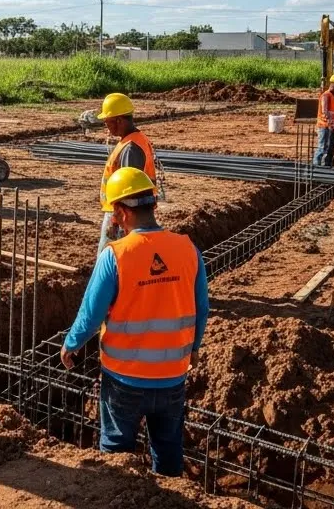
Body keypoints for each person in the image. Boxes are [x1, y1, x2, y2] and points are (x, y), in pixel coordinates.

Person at [60, 167, 208, 477]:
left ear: (120, 212)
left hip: (124, 380)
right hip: (173, 378)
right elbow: (201, 309)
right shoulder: (188, 250)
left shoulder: (116, 255)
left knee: (115, 455)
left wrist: (71, 345)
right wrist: (193, 349)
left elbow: (91, 314)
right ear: (153, 205)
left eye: (113, 213)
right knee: (168, 450)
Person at [96, 93, 157, 252]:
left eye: (107, 122)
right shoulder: (134, 140)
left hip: (122, 215)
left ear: (118, 120)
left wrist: (115, 222)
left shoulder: (130, 148)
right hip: (126, 214)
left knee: (110, 260)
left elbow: (128, 190)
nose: (106, 127)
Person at [313, 73, 334, 167]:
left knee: (331, 149)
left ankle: (327, 166)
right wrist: (330, 123)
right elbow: (325, 112)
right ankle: (316, 167)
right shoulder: (326, 96)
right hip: (324, 126)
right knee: (322, 147)